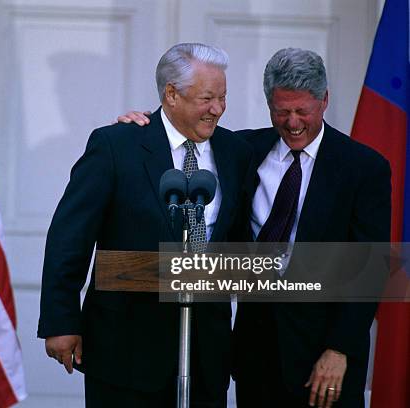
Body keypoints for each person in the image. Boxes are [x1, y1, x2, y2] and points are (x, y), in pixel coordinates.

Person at [118, 48, 391, 408]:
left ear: (324, 101)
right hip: (255, 355)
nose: (292, 123)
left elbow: (369, 270)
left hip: (326, 362)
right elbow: (175, 132)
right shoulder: (241, 149)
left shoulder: (364, 168)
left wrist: (339, 350)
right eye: (281, 111)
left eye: (302, 111)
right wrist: (138, 126)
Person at [38, 43, 253, 407]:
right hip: (126, 350)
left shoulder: (237, 150)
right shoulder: (116, 145)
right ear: (171, 93)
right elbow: (69, 236)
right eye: (207, 98)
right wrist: (61, 322)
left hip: (205, 352)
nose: (218, 109)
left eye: (223, 97)